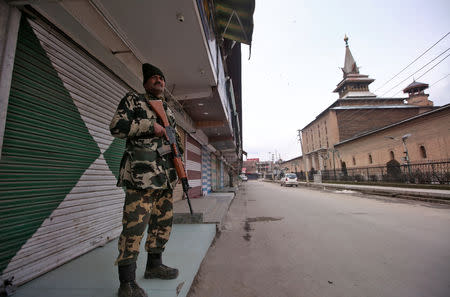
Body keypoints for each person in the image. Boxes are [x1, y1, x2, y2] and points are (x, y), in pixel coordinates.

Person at [110, 63, 183, 297]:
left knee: (162, 224)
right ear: (145, 82)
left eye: (161, 77)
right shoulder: (133, 100)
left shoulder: (169, 111)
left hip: (165, 178)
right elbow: (117, 127)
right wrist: (151, 126)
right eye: (154, 78)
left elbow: (175, 144)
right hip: (140, 177)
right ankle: (127, 283)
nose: (159, 81)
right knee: (134, 226)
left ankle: (154, 266)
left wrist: (178, 168)